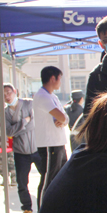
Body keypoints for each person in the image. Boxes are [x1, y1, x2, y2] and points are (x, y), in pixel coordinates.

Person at [3, 83, 42, 213]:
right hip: (20, 152)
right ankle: (27, 209)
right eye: (3, 95)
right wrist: (24, 121)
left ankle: (44, 206)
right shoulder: (5, 113)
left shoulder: (28, 104)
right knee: (22, 182)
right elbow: (8, 132)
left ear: (15, 91)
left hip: (37, 148)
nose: (7, 96)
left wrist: (17, 128)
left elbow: (34, 124)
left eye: (9, 92)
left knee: (47, 176)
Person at [33, 66, 69, 203]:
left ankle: (55, 208)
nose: (60, 82)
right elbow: (61, 116)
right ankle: (42, 210)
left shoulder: (53, 96)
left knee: (60, 178)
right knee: (47, 180)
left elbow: (65, 117)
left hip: (58, 142)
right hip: (49, 144)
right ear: (53, 78)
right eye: (60, 79)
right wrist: (63, 119)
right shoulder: (42, 96)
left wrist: (64, 119)